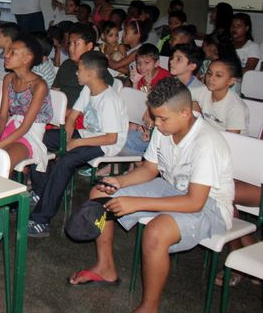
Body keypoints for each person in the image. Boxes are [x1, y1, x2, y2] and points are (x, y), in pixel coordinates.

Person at [68, 78, 233, 313]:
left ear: (186, 113)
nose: (156, 124)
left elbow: (195, 202)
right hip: (172, 187)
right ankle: (105, 267)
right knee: (100, 193)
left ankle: (149, 307)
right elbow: (149, 169)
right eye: (155, 117)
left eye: (162, 118)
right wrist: (118, 181)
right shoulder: (166, 127)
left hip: (210, 205)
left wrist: (136, 203)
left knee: (156, 232)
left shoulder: (206, 143)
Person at [28, 51, 128, 237]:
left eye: (79, 69)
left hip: (105, 144)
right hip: (86, 135)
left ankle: (42, 220)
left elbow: (111, 138)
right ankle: (42, 191)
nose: (76, 73)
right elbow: (73, 117)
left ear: (90, 73)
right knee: (37, 138)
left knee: (66, 162)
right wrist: (67, 139)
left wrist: (75, 144)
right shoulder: (88, 89)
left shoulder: (109, 100)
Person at [0, 35, 53, 175]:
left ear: (27, 58)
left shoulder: (39, 86)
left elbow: (26, 126)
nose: (6, 55)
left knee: (1, 162)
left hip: (30, 134)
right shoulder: (9, 79)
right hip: (11, 127)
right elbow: (3, 115)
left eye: (12, 52)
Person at [193, 56, 248, 134]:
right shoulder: (203, 91)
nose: (211, 78)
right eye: (209, 73)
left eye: (218, 75)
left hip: (230, 141)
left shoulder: (235, 107)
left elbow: (233, 138)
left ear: (231, 81)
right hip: (207, 135)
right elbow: (178, 96)